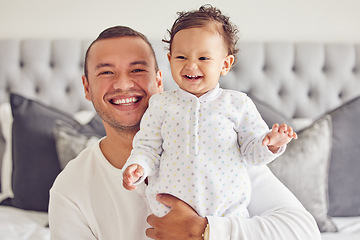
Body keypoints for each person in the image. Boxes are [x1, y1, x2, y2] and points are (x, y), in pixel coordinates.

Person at [49, 25, 321, 239]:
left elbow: (304, 232)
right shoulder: (71, 187)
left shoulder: (222, 144)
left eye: (137, 69)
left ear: (159, 80)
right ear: (86, 87)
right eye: (106, 72)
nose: (123, 84)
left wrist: (206, 231)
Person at [122, 5, 297, 219]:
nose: (191, 66)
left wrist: (271, 144)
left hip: (226, 216)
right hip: (168, 215)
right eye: (181, 58)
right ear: (169, 60)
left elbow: (252, 154)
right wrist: (137, 165)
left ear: (225, 64)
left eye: (203, 58)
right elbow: (148, 147)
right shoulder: (160, 104)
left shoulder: (237, 103)